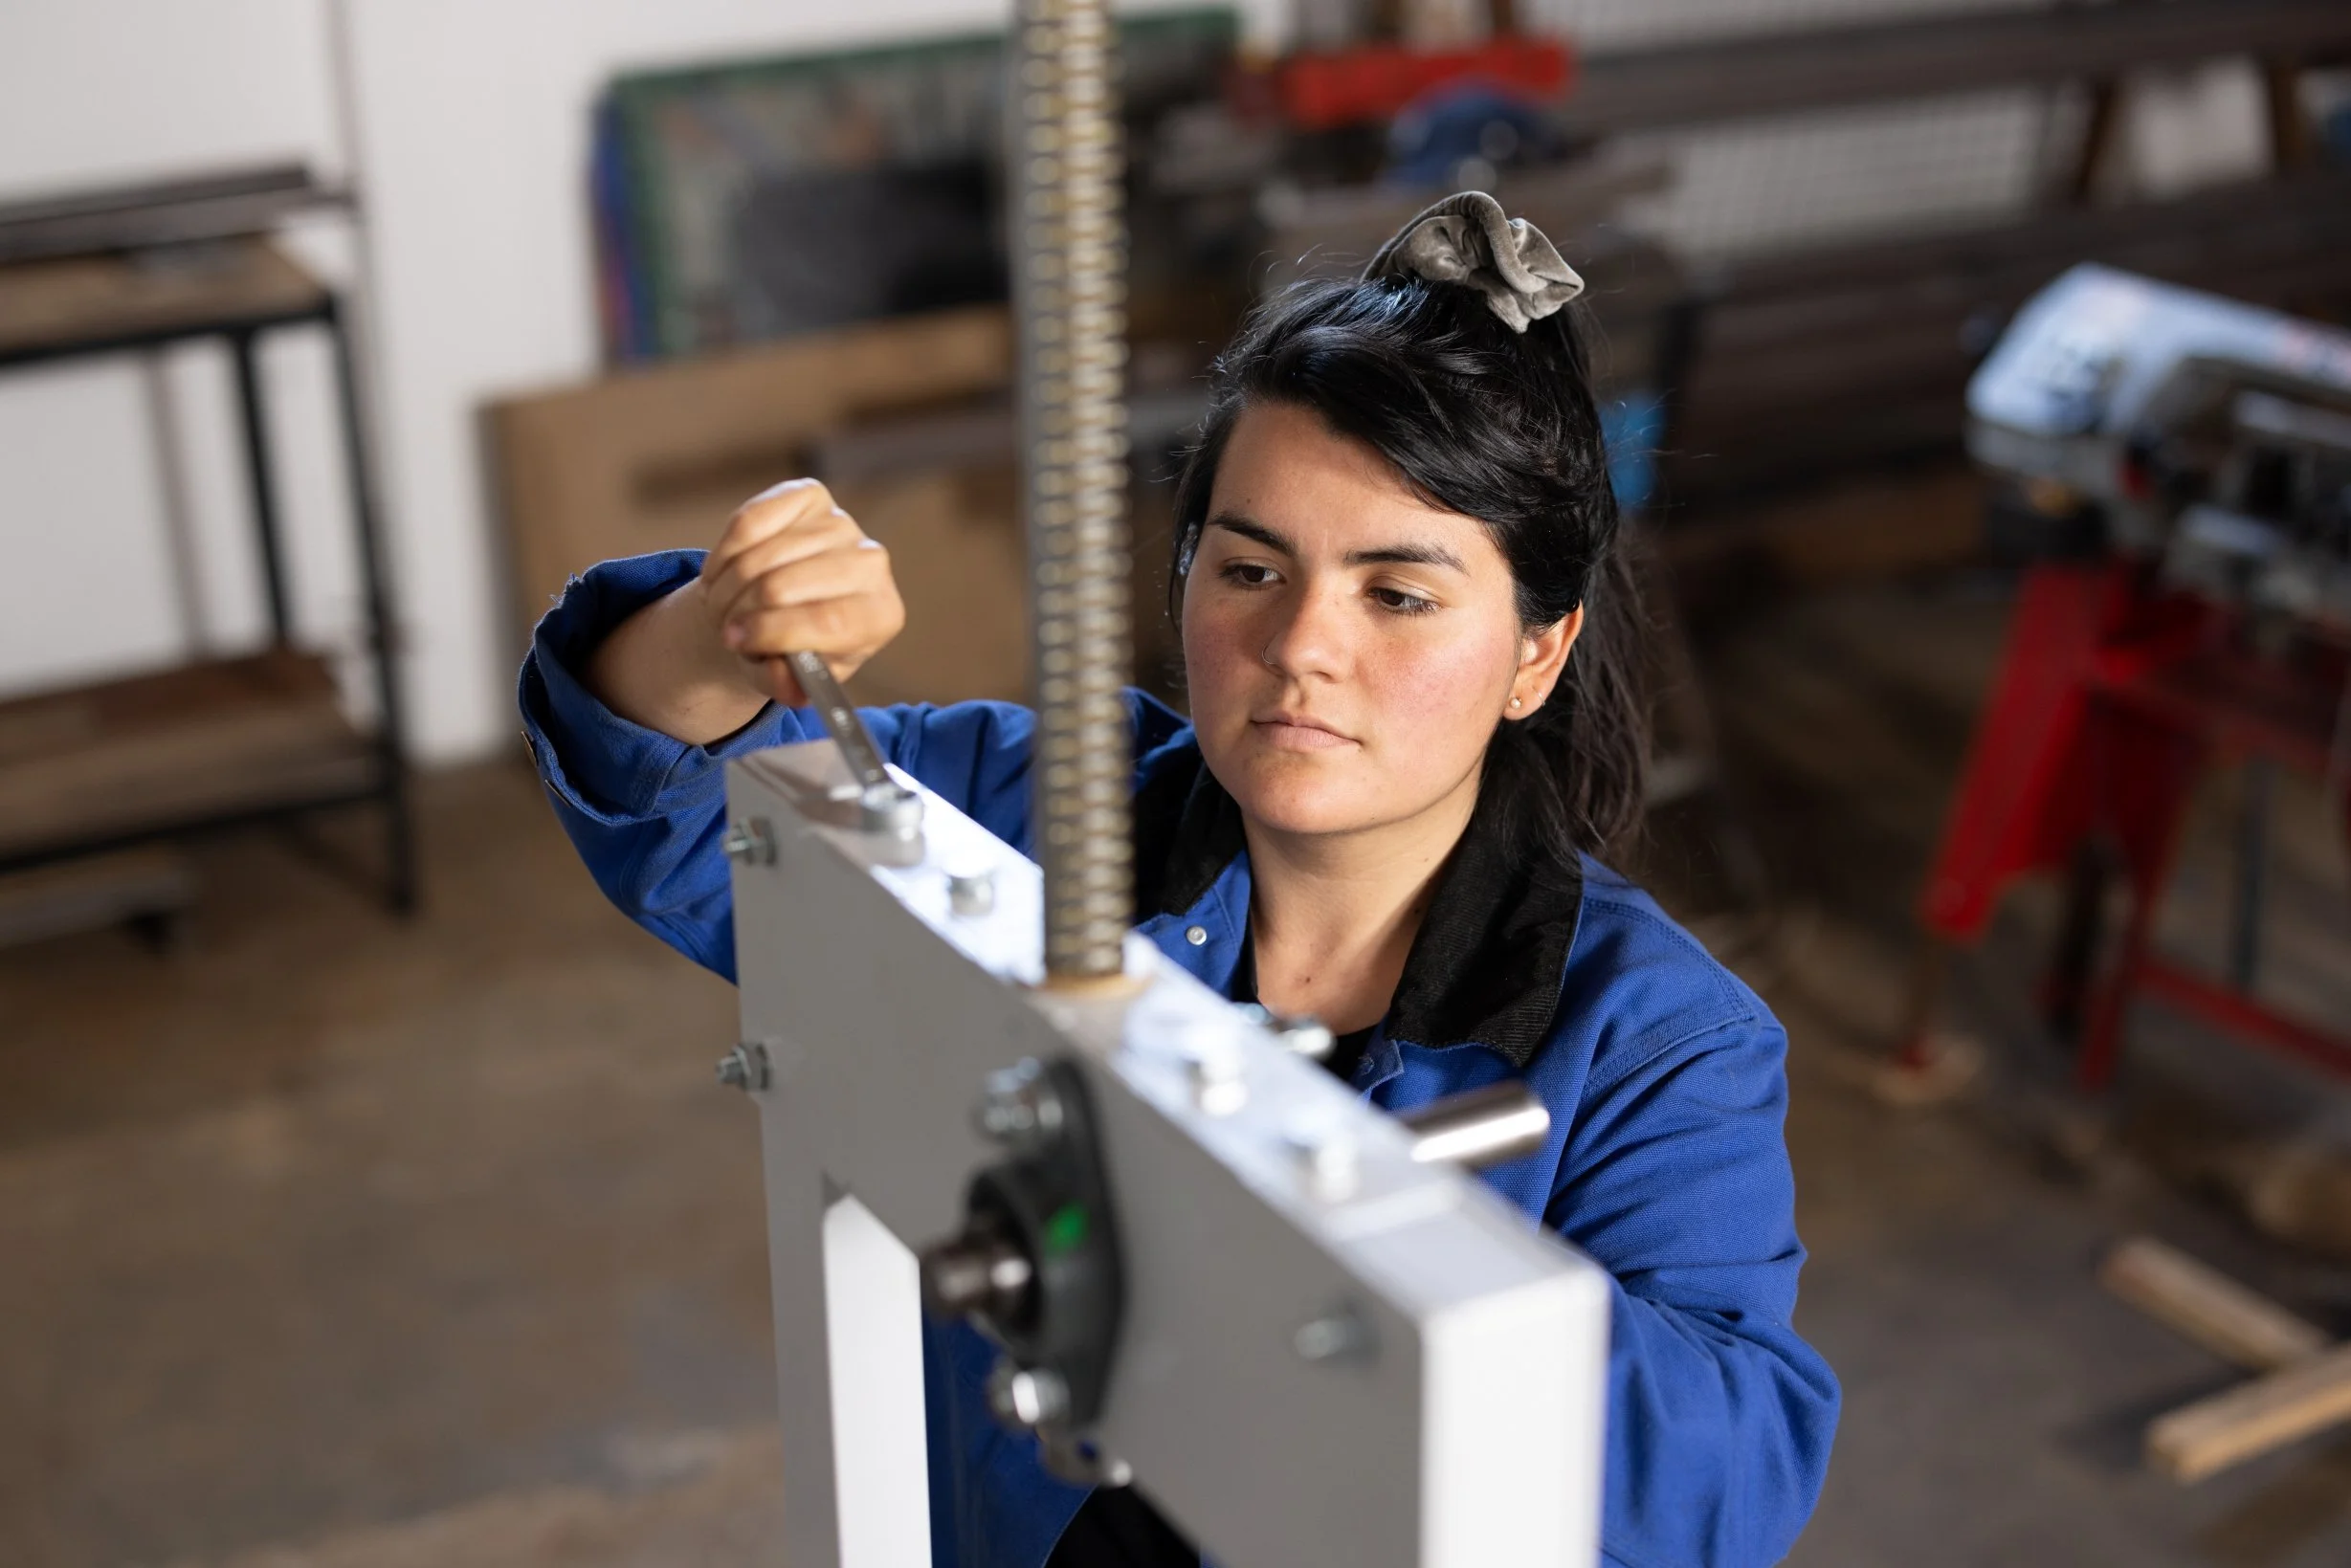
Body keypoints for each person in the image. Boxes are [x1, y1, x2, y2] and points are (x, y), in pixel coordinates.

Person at [520, 192, 1839, 1567]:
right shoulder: (1045, 810)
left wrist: (1333, 1251)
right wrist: (723, 629)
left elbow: (1729, 1474)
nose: (1303, 646)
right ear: (1183, 573)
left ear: (1535, 652)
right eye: (1252, 567)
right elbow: (683, 790)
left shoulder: (1656, 1041)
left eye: (1399, 593)